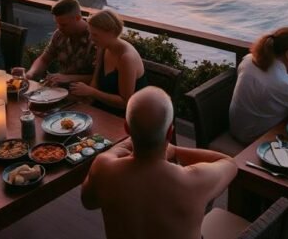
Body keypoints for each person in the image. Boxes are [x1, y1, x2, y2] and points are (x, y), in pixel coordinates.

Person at [81, 87, 237, 239]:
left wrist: (121, 146)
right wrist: (175, 150)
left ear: (127, 129)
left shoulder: (103, 168)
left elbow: (88, 202)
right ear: (170, 132)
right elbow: (229, 163)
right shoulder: (193, 181)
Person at [68, 9, 147, 115]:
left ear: (111, 33)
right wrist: (85, 99)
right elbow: (95, 82)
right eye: (90, 34)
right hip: (103, 109)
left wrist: (92, 92)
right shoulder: (103, 47)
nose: (91, 39)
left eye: (95, 35)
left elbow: (125, 102)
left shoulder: (126, 58)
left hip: (126, 116)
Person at [26, 0, 96, 85]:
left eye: (63, 25)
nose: (59, 28)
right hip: (59, 88)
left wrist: (69, 78)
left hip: (85, 93)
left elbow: (99, 78)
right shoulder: (59, 34)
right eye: (57, 23)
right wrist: (30, 74)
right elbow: (44, 59)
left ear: (78, 18)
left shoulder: (95, 38)